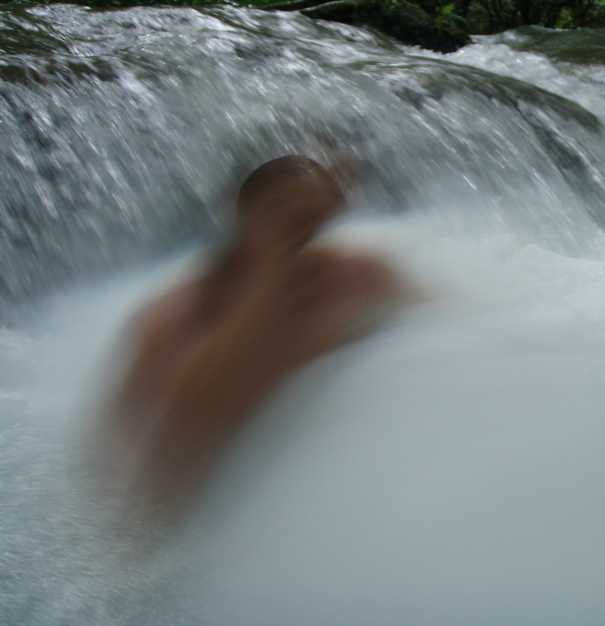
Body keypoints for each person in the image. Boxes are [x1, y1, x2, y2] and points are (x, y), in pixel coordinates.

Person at [100, 155, 409, 517]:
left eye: (314, 221)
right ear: (246, 212)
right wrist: (271, 269)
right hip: (185, 500)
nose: (304, 235)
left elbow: (434, 326)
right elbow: (167, 450)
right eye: (290, 218)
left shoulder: (354, 276)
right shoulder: (176, 317)